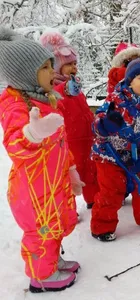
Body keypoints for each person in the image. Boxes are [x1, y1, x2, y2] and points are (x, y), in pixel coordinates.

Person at [0, 28, 83, 292]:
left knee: (54, 226)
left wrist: (70, 169)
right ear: (25, 73)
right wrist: (33, 133)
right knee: (40, 232)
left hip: (52, 182)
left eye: (51, 65)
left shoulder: (46, 100)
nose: (52, 72)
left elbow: (61, 143)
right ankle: (42, 275)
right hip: (32, 189)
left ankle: (52, 260)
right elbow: (15, 144)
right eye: (45, 67)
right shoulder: (17, 107)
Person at [91, 57, 140, 242]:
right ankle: (102, 227)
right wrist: (104, 125)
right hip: (109, 155)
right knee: (111, 191)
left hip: (136, 155)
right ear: (130, 81)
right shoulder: (115, 100)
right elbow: (97, 122)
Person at [40, 30, 99, 209]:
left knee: (90, 171)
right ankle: (67, 207)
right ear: (56, 67)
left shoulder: (74, 84)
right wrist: (67, 88)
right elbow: (61, 96)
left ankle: (93, 199)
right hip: (71, 140)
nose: (74, 67)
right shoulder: (55, 88)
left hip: (86, 136)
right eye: (69, 64)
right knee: (70, 173)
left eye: (75, 63)